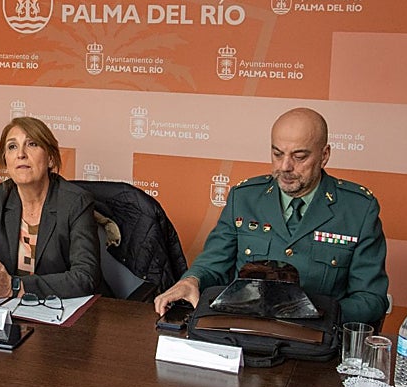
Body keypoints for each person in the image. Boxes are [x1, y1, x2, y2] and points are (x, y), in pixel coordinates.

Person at [154, 107, 389, 325]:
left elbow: (370, 300)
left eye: (299, 157)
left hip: (315, 340)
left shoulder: (358, 209)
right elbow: (212, 264)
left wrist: (313, 311)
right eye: (278, 154)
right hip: (246, 334)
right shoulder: (244, 198)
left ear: (324, 155)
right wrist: (191, 280)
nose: (285, 166)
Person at [0, 117, 101, 299]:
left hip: (66, 315)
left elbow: (85, 278)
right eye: (12, 147)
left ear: (50, 158)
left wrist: (15, 286)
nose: (20, 154)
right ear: (5, 160)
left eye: (32, 144)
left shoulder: (74, 202)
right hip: (11, 313)